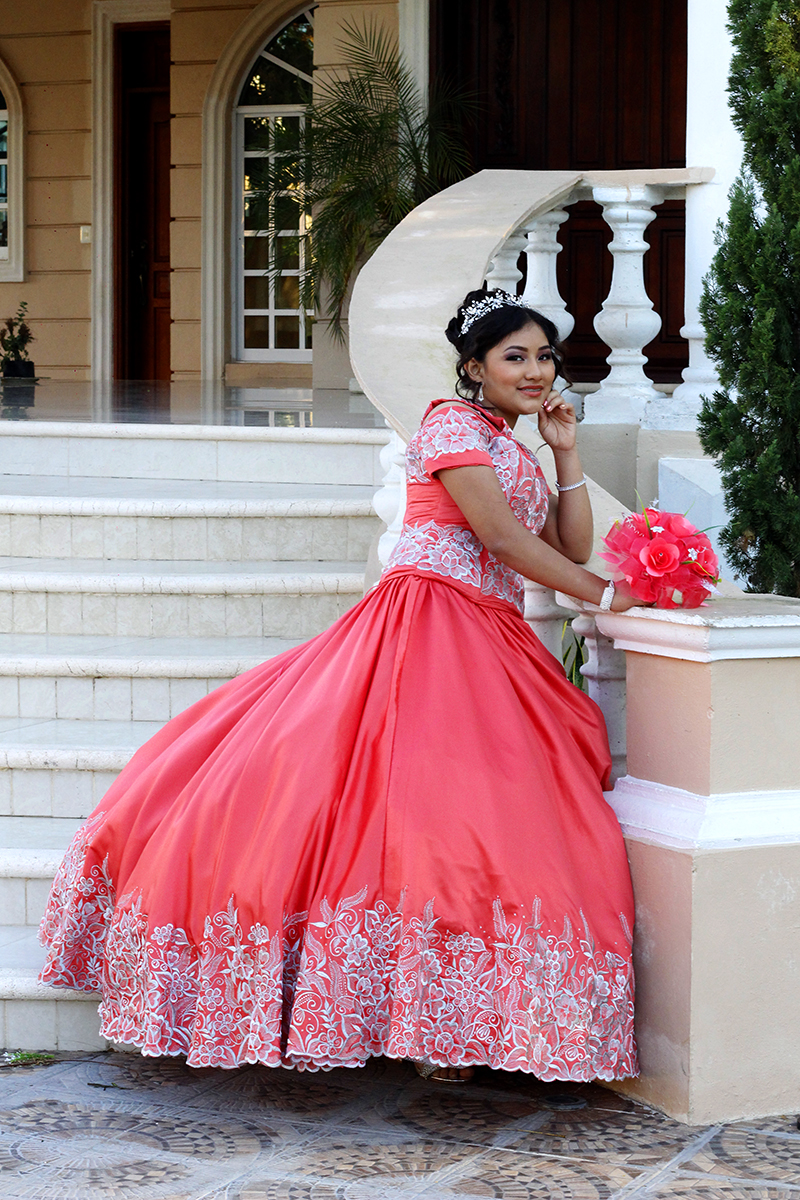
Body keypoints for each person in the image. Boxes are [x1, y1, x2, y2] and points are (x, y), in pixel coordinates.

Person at [39, 289, 643, 1084]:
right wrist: (604, 594)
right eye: (514, 357)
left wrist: (565, 453)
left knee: (476, 815)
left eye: (544, 357)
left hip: (489, 627)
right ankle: (415, 1024)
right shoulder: (450, 426)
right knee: (418, 809)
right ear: (473, 367)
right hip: (429, 621)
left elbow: (564, 541)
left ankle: (445, 1020)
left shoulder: (515, 447)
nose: (535, 371)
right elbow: (499, 538)